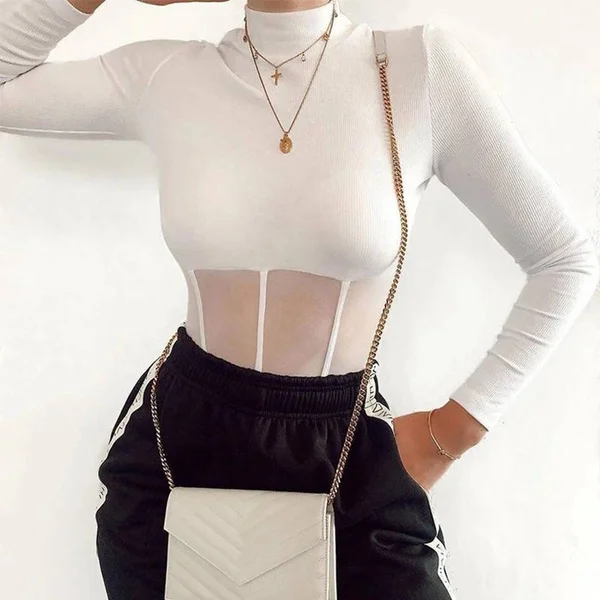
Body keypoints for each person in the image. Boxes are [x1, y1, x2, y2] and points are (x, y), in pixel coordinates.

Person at [2, 0, 598, 598]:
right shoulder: (168, 76)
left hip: (346, 451)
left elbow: (565, 258)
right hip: (176, 447)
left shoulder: (416, 69)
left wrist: (455, 430)